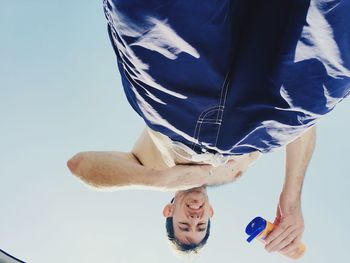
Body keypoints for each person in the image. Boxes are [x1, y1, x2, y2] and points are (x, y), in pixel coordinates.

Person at [69, 0, 349, 256]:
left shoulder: (148, 165)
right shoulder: (237, 172)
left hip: (180, 108)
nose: (194, 220)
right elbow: (298, 127)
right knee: (334, 44)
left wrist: (161, 179)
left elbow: (80, 165)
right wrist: (291, 197)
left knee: (157, 12)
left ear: (169, 210)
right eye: (200, 227)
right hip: (266, 117)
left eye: (183, 225)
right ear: (211, 214)